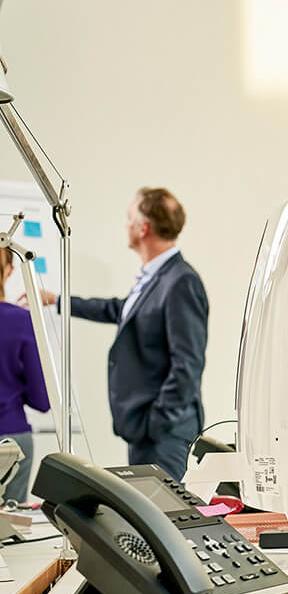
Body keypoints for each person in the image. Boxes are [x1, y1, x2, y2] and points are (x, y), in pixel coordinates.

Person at [39, 188, 208, 482]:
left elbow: (188, 363)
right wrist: (59, 300)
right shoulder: (155, 276)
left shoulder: (181, 282)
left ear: (144, 228)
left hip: (164, 433)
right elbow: (120, 310)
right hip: (145, 429)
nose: (126, 225)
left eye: (130, 219)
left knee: (164, 520)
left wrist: (158, 421)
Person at [0, 247, 49, 502]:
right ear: (8, 271)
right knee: (10, 530)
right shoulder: (22, 321)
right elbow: (42, 400)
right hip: (11, 440)